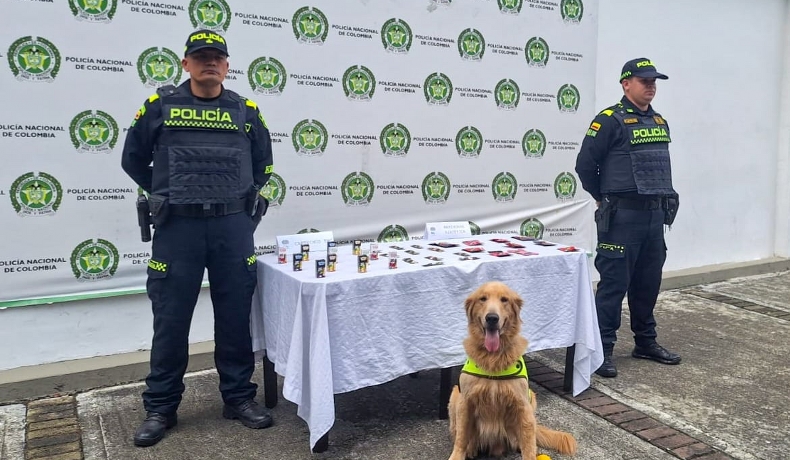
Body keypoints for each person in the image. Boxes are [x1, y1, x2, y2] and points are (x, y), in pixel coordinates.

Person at [121, 29, 275, 446]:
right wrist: (170, 190)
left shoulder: (245, 110)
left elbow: (264, 163)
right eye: (200, 56)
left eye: (217, 57)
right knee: (170, 321)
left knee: (234, 318)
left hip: (231, 227)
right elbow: (132, 158)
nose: (209, 62)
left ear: (227, 66)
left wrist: (233, 199)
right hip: (178, 229)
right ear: (185, 63)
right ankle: (160, 408)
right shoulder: (161, 106)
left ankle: (239, 399)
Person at [574, 58, 681, 378]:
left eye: (654, 81)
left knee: (648, 284)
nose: (650, 86)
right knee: (613, 286)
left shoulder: (659, 121)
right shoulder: (608, 120)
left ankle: (645, 342)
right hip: (621, 218)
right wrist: (602, 197)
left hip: (653, 218)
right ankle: (602, 350)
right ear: (626, 84)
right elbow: (584, 166)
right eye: (644, 80)